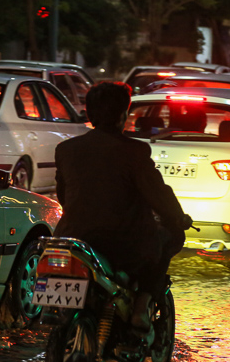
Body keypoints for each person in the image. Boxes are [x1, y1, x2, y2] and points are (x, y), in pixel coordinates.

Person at [53, 81, 187, 339]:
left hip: (73, 238)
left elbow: (64, 196)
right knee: (170, 237)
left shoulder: (66, 149)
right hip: (123, 244)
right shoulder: (134, 151)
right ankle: (141, 306)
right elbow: (159, 196)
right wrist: (178, 219)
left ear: (89, 114)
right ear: (123, 115)